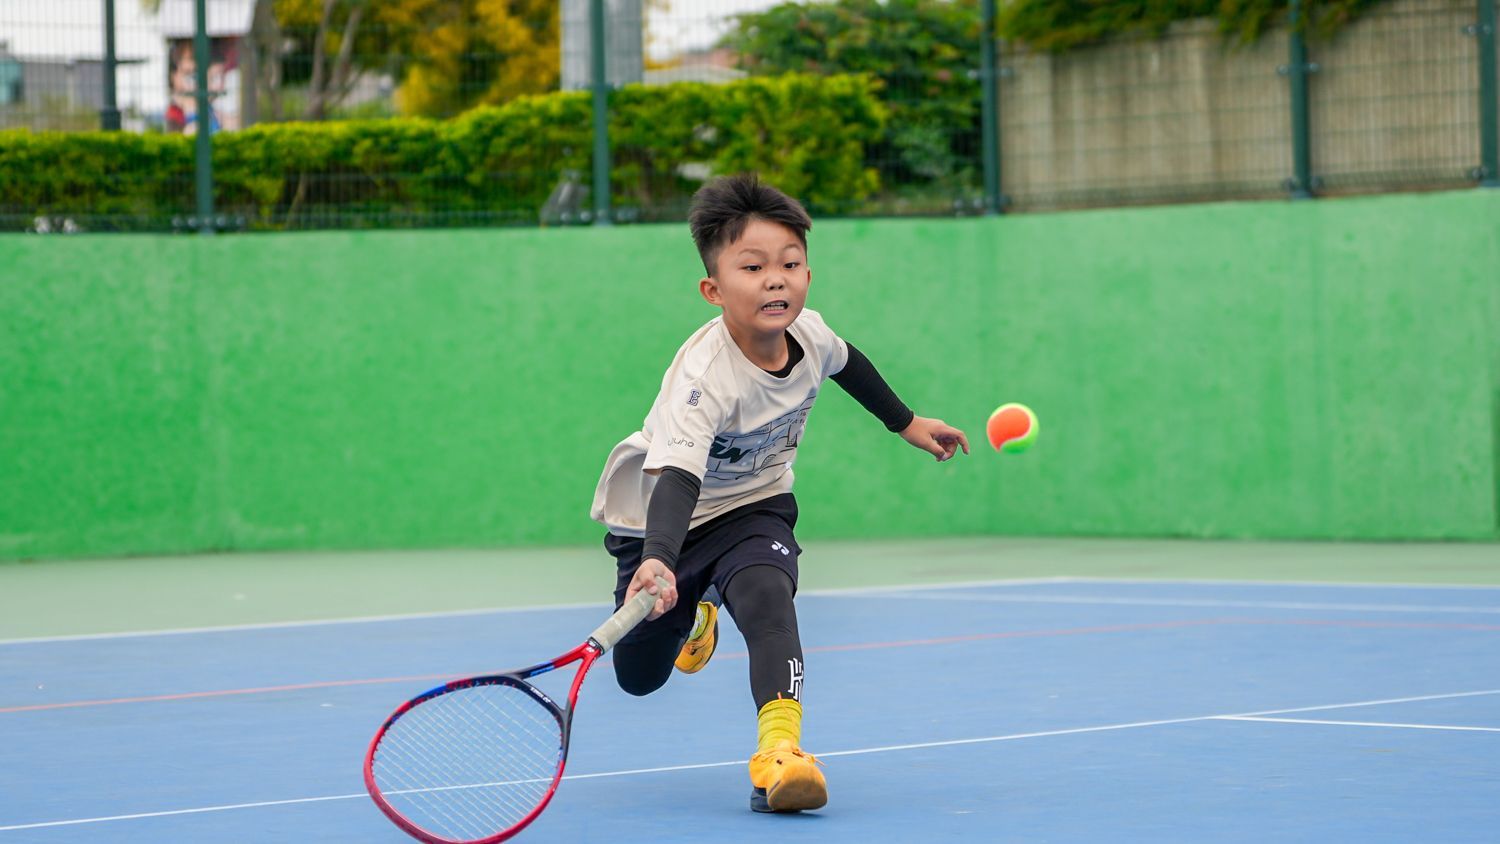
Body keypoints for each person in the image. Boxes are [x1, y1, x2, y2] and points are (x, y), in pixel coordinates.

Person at [590, 173, 968, 813]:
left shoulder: (811, 335)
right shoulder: (703, 379)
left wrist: (906, 423)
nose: (776, 279)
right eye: (754, 266)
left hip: (755, 506)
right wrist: (659, 556)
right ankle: (694, 612)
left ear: (808, 277)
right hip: (663, 520)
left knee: (770, 599)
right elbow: (677, 477)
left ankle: (780, 752)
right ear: (713, 290)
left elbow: (848, 363)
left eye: (791, 264)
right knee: (639, 679)